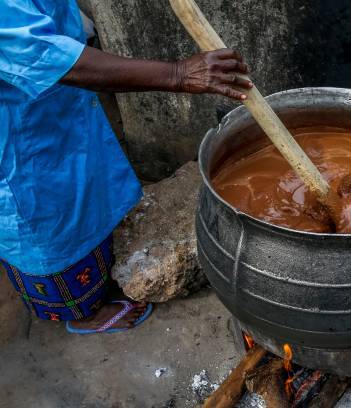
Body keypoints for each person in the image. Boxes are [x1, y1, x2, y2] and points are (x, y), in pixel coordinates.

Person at [0, 0, 252, 334]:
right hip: (20, 131)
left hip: (52, 112)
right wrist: (177, 74)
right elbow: (50, 58)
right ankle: (82, 314)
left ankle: (94, 275)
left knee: (77, 193)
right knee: (44, 222)